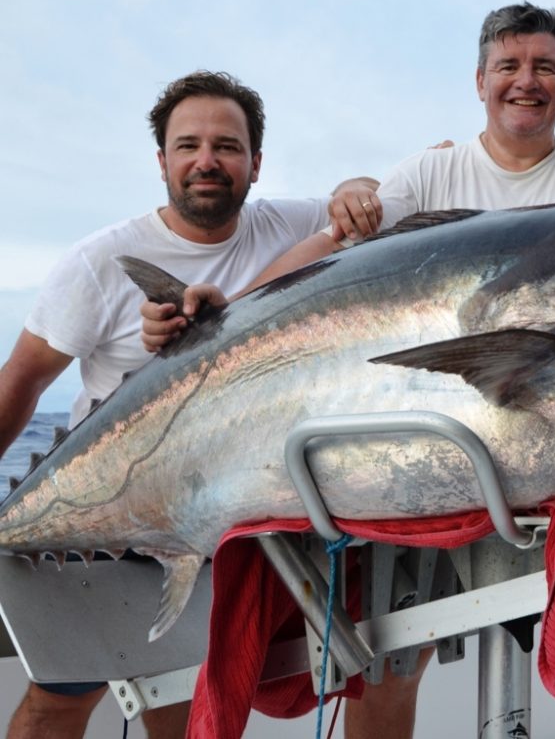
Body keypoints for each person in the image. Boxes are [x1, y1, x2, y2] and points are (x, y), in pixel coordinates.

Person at [141, 3, 555, 739]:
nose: (525, 81)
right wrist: (228, 313)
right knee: (385, 665)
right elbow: (332, 257)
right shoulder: (429, 172)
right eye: (509, 66)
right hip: (419, 467)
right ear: (480, 81)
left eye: (544, 67)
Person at [0, 70, 365, 739]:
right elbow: (19, 384)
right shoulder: (98, 263)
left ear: (256, 163)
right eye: (188, 145)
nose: (207, 160)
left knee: (186, 705)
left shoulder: (289, 223)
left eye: (227, 146)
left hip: (223, 524)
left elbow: (360, 205)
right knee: (61, 700)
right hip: (105, 523)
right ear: (161, 161)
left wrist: (357, 189)